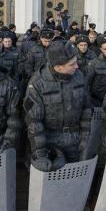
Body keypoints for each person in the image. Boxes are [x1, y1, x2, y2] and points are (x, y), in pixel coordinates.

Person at [23, 41, 92, 171]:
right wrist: (41, 154)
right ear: (58, 67)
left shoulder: (79, 77)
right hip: (49, 143)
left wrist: (85, 137)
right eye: (72, 64)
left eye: (76, 61)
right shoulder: (37, 83)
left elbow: (86, 109)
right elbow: (34, 121)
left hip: (75, 141)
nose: (77, 66)